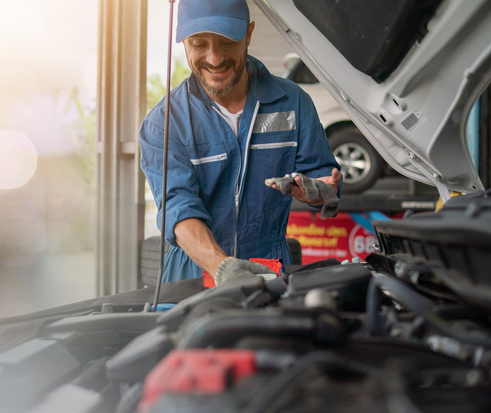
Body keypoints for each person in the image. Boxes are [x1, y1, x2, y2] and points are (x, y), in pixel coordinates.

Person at [139, 0, 342, 286]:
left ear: (248, 34)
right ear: (184, 42)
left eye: (227, 41)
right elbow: (177, 208)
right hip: (191, 276)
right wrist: (223, 268)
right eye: (198, 44)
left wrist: (318, 191)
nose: (214, 58)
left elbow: (324, 181)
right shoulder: (164, 123)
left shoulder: (294, 103)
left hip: (269, 268)